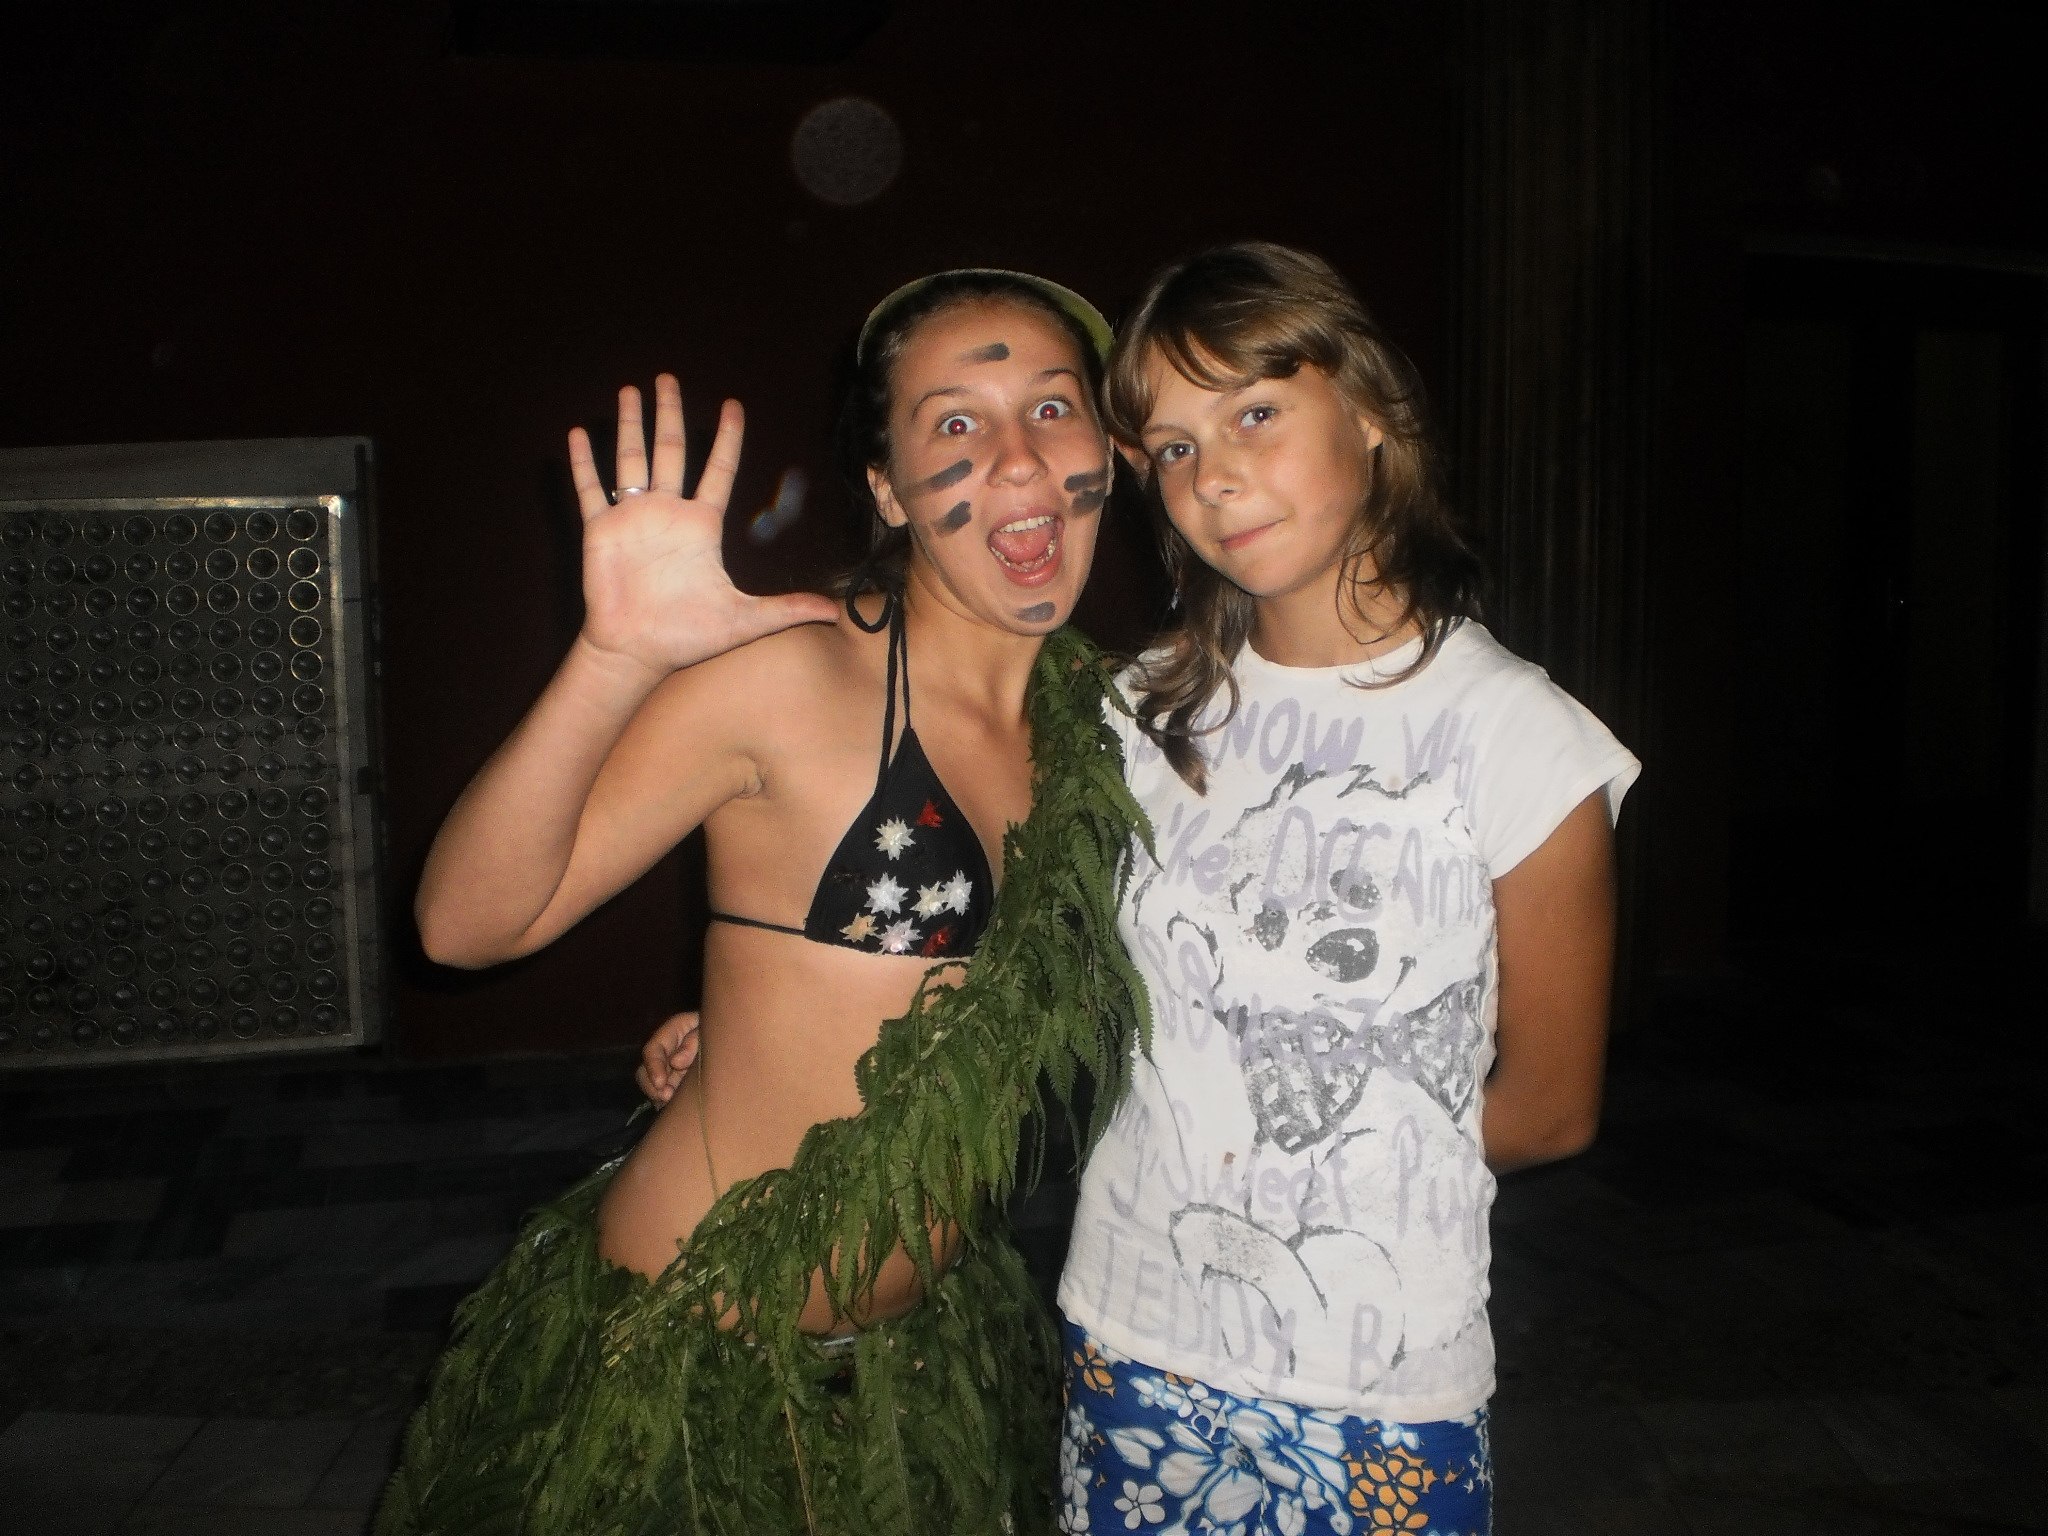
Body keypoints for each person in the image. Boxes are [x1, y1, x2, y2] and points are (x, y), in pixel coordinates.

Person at [375, 269, 1150, 1536]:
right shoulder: (798, 679)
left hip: (916, 1370)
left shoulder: (1090, 725)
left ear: (1105, 455)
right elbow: (465, 926)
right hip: (693, 1367)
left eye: (1051, 408)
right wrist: (612, 658)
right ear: (889, 489)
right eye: (956, 423)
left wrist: (745, 1017)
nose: (1016, 457)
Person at [1048, 241, 1640, 1536]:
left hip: (1376, 1383)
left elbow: (1549, 1109)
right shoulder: (1131, 716)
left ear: (1368, 408)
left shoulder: (1518, 739)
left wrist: (1344, 1175)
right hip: (1132, 1334)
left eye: (1254, 413)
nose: (1212, 477)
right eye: (1174, 447)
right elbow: (1037, 981)